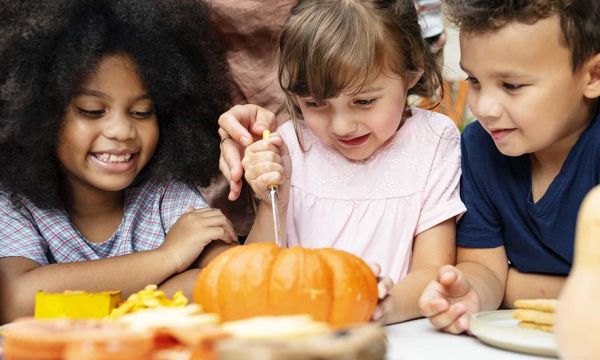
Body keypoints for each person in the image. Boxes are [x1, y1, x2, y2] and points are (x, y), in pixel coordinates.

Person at [224, 0, 466, 324]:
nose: (341, 126)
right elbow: (254, 277)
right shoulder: (291, 144)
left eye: (364, 101)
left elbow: (432, 271)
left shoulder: (433, 141)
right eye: (315, 103)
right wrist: (272, 203)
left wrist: (379, 306)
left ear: (412, 74)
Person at [0, 0, 239, 323]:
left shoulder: (165, 194)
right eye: (92, 111)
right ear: (38, 115)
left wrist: (73, 306)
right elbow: (18, 300)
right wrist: (166, 259)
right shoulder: (14, 203)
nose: (122, 131)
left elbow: (225, 279)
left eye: (142, 112)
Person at [418, 0, 600, 334]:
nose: (484, 107)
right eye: (474, 80)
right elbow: (484, 268)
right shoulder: (479, 148)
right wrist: (472, 292)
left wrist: (514, 286)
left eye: (512, 86)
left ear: (593, 76)